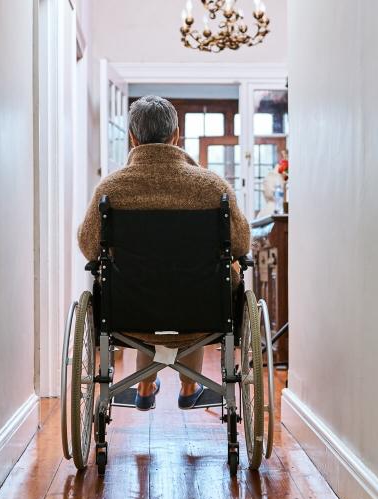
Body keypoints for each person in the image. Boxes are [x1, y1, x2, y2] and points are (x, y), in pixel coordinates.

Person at [78, 95, 251, 411]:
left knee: (143, 285)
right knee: (201, 284)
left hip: (131, 310)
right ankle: (189, 386)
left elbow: (89, 247)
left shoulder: (110, 190)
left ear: (132, 137)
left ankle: (143, 384)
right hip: (203, 310)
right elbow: (241, 244)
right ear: (176, 135)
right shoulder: (213, 188)